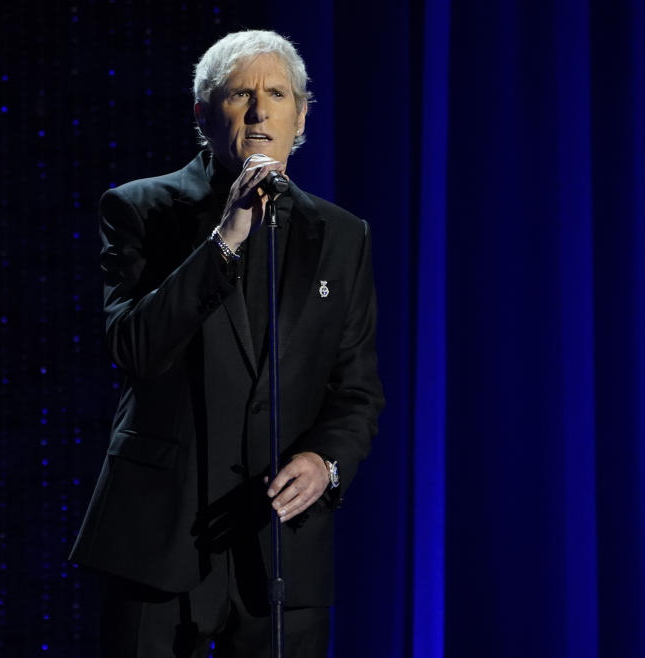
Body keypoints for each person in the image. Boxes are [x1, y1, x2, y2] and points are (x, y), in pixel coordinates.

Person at [70, 29, 384, 657]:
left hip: (281, 547)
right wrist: (226, 240)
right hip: (157, 539)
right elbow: (134, 348)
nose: (261, 109)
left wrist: (325, 464)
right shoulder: (140, 210)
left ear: (300, 117)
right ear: (204, 113)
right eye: (242, 93)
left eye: (277, 93)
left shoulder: (343, 236)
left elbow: (357, 392)